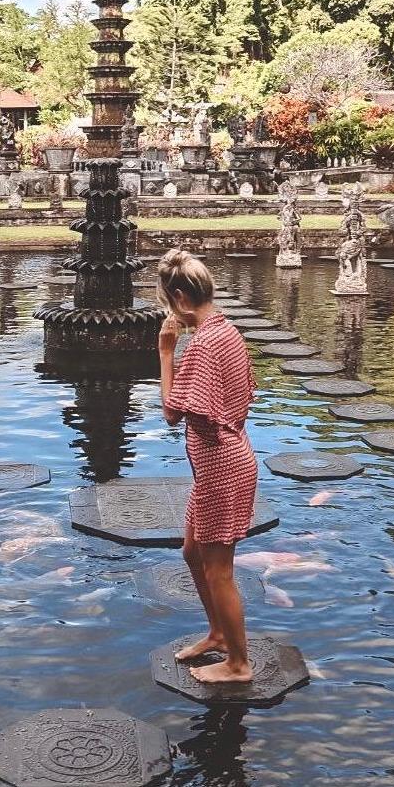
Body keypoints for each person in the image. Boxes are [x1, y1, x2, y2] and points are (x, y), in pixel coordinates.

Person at [157, 249, 257, 683]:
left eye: (167, 305)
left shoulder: (204, 345)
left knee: (220, 570)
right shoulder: (226, 331)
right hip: (225, 460)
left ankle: (238, 664)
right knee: (192, 553)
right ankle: (218, 634)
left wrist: (165, 352)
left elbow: (171, 411)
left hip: (223, 467)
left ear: (180, 298)